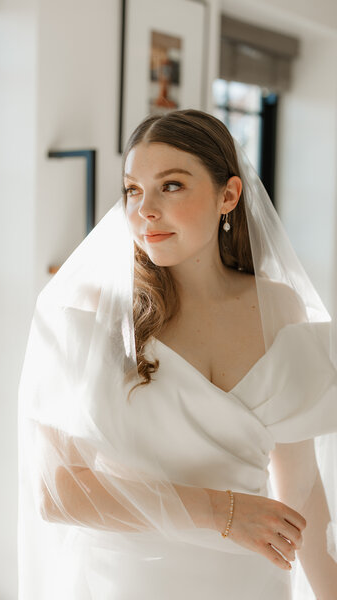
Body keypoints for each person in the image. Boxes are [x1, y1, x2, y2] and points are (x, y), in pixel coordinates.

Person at [17, 109, 337, 599]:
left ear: (228, 195)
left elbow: (302, 488)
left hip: (250, 583)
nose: (144, 208)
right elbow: (57, 492)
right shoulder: (91, 310)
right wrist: (223, 511)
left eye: (171, 185)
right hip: (127, 584)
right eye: (132, 189)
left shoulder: (281, 308)